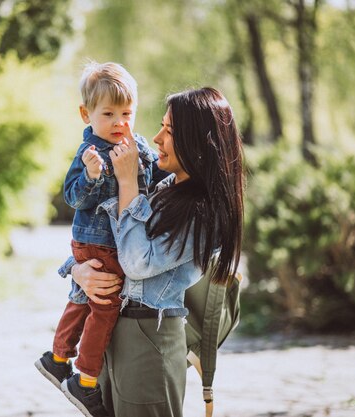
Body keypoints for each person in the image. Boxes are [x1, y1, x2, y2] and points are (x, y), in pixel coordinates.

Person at [59, 87, 245, 417]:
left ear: (197, 141)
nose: (156, 138)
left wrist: (128, 181)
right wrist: (77, 269)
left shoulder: (204, 210)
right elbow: (106, 245)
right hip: (113, 328)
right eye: (161, 126)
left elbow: (136, 263)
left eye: (170, 131)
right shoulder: (163, 188)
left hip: (149, 336)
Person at [34, 61, 161, 417]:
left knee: (84, 299)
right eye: (108, 114)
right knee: (104, 309)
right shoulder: (90, 153)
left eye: (127, 112)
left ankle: (57, 358)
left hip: (108, 244)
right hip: (97, 243)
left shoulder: (133, 144)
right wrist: (91, 175)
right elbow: (73, 198)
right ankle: (85, 380)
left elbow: (153, 174)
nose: (120, 122)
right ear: (85, 114)